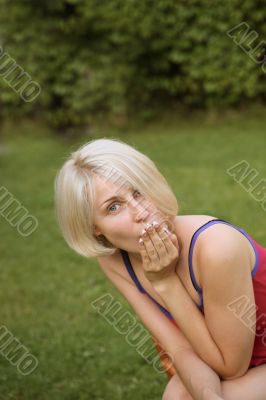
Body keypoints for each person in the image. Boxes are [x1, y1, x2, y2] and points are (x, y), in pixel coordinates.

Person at [54, 138, 266, 400]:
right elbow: (179, 350)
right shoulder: (113, 260)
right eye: (114, 207)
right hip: (227, 363)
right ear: (95, 228)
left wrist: (166, 283)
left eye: (138, 191)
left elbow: (231, 368)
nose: (140, 211)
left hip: (239, 364)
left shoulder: (216, 247)